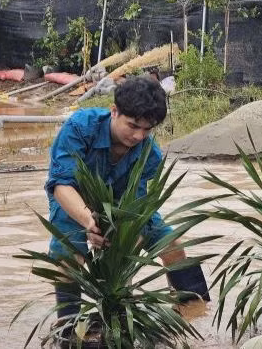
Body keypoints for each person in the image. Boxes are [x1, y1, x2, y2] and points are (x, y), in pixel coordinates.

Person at [46, 77, 209, 331]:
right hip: (75, 199)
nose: (138, 135)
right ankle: (67, 327)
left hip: (125, 206)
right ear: (114, 111)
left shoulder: (149, 154)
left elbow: (137, 203)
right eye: (132, 126)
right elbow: (60, 185)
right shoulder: (80, 128)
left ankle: (195, 312)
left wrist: (127, 239)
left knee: (172, 244)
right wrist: (89, 221)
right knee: (68, 255)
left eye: (147, 130)